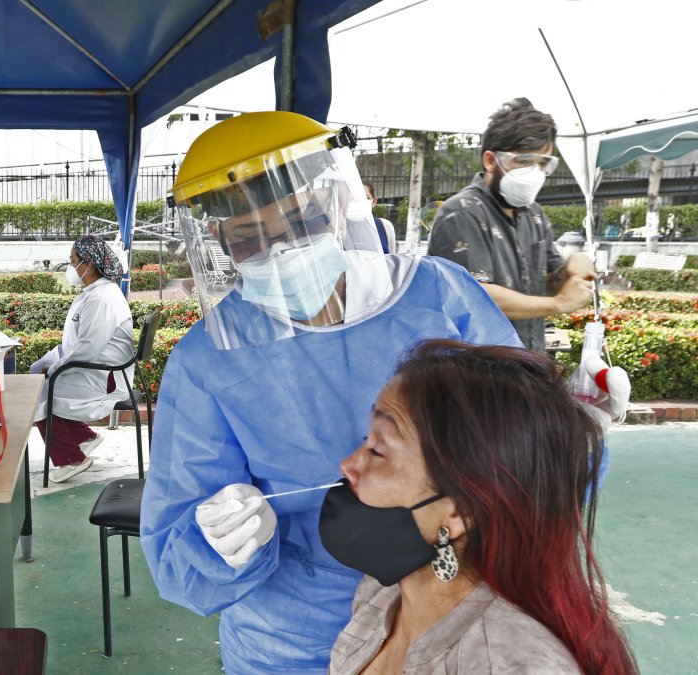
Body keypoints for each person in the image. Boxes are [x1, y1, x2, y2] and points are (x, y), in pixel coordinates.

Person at [139, 111, 522, 673]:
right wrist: (222, 542)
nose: (283, 250)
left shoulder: (437, 297)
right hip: (294, 639)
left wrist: (575, 424)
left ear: (339, 202)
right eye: (250, 240)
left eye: (301, 225)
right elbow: (179, 545)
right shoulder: (210, 359)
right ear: (219, 241)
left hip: (451, 604)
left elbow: (523, 441)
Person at [325, 340, 636, 673]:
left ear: (459, 511)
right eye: (366, 441)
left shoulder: (511, 664)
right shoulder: (381, 596)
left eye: (378, 451)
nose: (347, 465)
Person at [428, 98, 596, 351]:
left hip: (527, 361)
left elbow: (548, 282)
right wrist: (559, 303)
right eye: (524, 161)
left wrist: (570, 271)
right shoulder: (461, 213)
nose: (534, 172)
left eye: (543, 163)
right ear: (490, 160)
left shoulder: (533, 214)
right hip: (475, 369)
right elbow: (474, 296)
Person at [29, 235, 134, 483]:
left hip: (105, 378)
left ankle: (72, 459)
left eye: (73, 261)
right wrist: (50, 362)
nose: (70, 267)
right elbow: (75, 344)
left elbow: (87, 349)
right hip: (97, 370)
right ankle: (83, 437)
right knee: (44, 385)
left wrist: (54, 369)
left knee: (41, 396)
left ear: (88, 264)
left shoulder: (101, 299)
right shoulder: (96, 292)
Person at [362, 180, 395, 254]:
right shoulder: (340, 230)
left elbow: (391, 259)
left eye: (366, 197)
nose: (360, 202)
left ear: (374, 201)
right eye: (354, 198)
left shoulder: (385, 226)